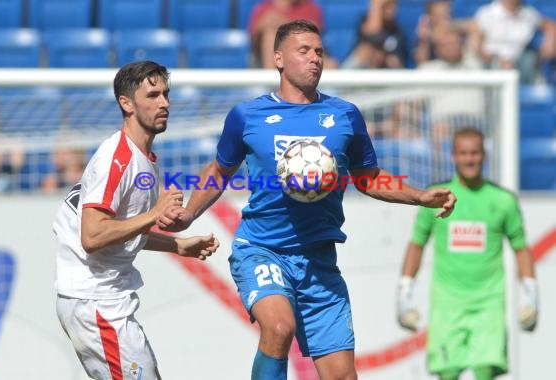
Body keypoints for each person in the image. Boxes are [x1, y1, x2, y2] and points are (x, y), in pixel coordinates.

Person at [157, 20, 456, 379]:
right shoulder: (247, 116)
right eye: (304, 51)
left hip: (318, 259)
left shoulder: (344, 115)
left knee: (342, 375)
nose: (315, 59)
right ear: (278, 58)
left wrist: (420, 195)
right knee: (279, 328)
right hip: (262, 249)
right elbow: (220, 172)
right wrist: (189, 213)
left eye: (319, 52)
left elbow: (369, 178)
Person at [52, 60, 220, 380]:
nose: (164, 103)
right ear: (126, 103)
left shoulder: (144, 159)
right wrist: (154, 213)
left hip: (101, 301)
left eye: (166, 94)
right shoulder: (117, 158)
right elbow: (93, 234)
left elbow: (120, 231)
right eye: (153, 95)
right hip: (96, 302)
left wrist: (177, 245)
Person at [396, 127, 538, 380]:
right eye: (463, 153)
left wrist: (531, 294)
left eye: (474, 153)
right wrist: (404, 293)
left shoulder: (503, 200)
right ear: (453, 156)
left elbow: (520, 247)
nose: (469, 159)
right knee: (448, 374)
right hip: (447, 306)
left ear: (484, 155)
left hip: (488, 306)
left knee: (484, 373)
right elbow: (417, 244)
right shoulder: (436, 197)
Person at [469, 0, 556, 83]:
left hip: (519, 61)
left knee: (529, 61)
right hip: (492, 60)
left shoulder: (528, 14)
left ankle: (525, 95)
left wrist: (550, 42)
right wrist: (496, 60)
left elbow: (549, 25)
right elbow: (475, 41)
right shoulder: (487, 13)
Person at [248, 0, 323, 69]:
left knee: (330, 65)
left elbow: (314, 33)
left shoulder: (310, 8)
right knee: (270, 34)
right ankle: (271, 79)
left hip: (302, 54)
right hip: (265, 59)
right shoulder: (262, 8)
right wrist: (262, 25)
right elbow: (253, 42)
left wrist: (283, 23)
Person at [341, 0, 407, 69]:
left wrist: (385, 58)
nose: (392, 9)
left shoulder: (398, 31)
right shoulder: (364, 22)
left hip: (386, 72)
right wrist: (376, 6)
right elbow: (373, 35)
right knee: (361, 54)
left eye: (394, 5)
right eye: (387, 5)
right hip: (364, 69)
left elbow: (399, 63)